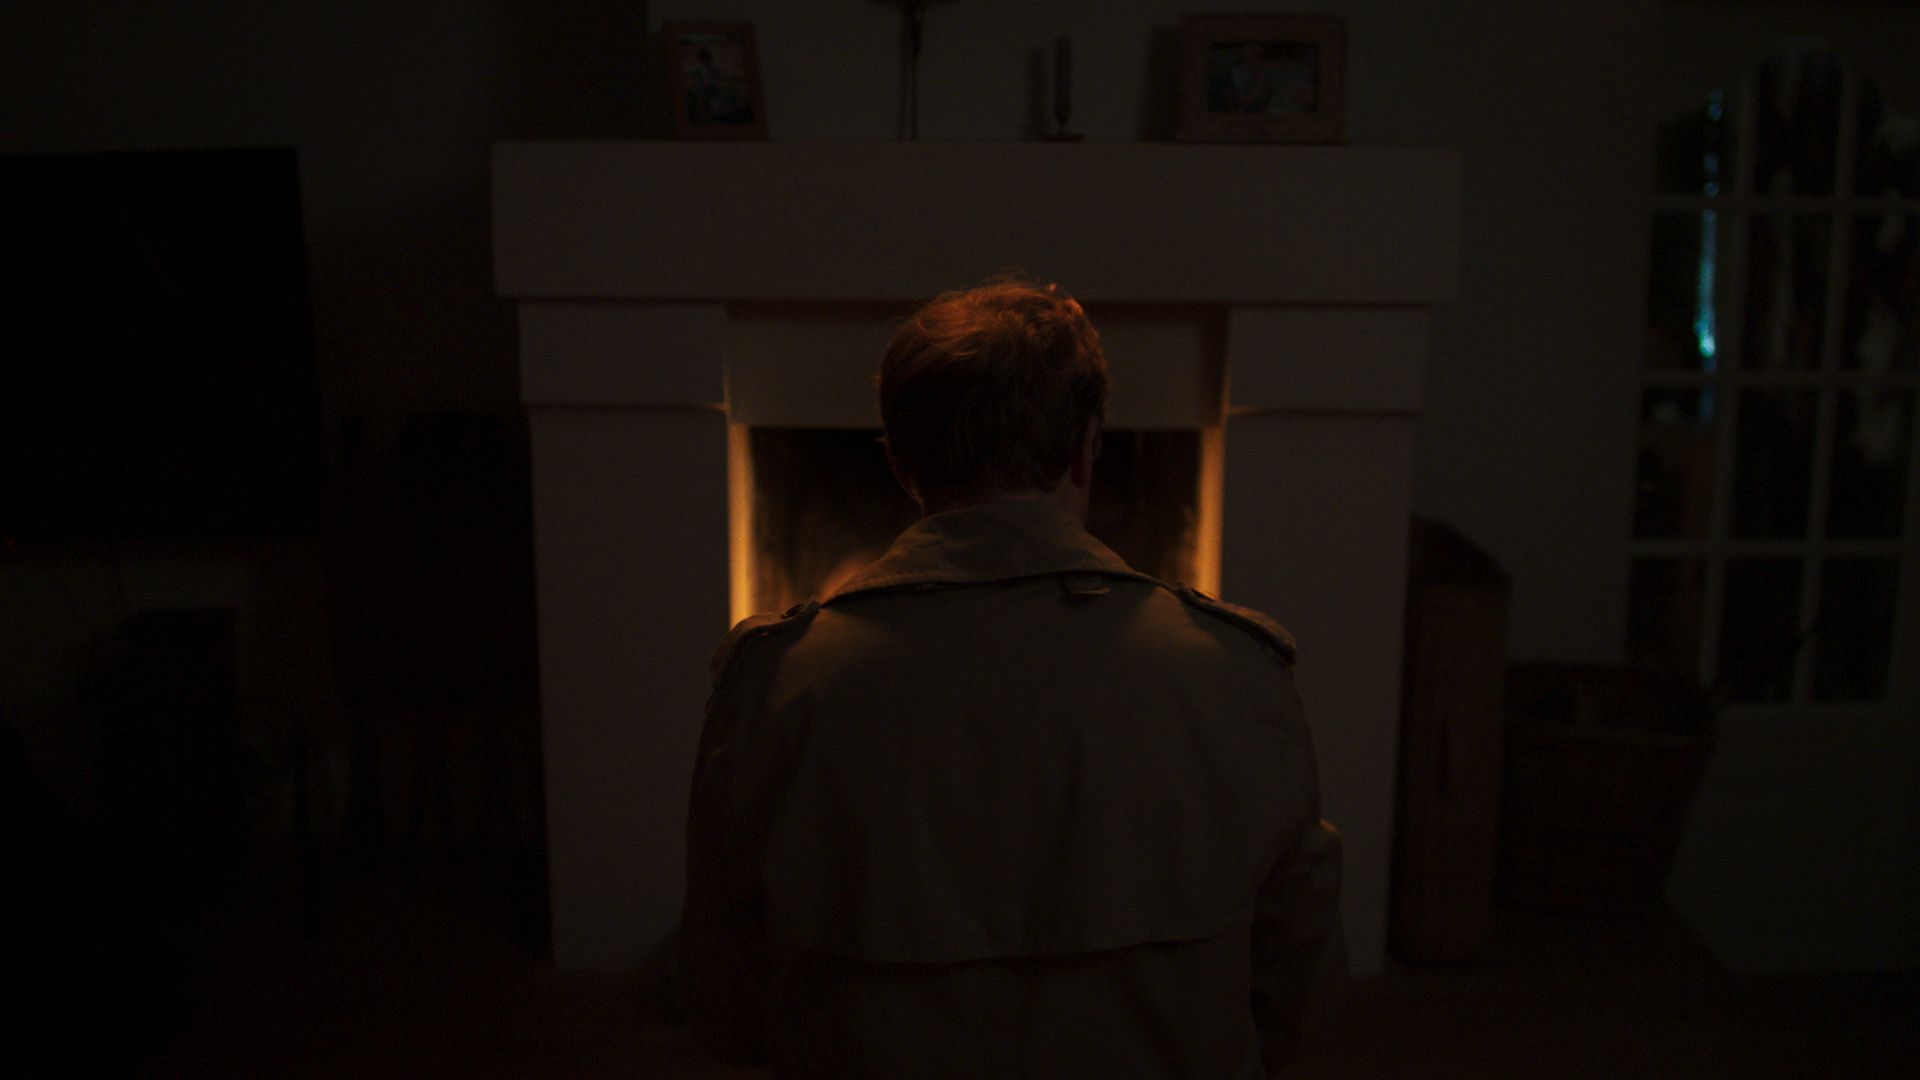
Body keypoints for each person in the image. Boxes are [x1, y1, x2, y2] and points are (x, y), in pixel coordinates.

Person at [680, 277, 1345, 1078]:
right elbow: (1295, 990)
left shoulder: (776, 683)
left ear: (900, 464)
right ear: (1085, 448)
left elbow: (727, 1004)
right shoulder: (1236, 673)